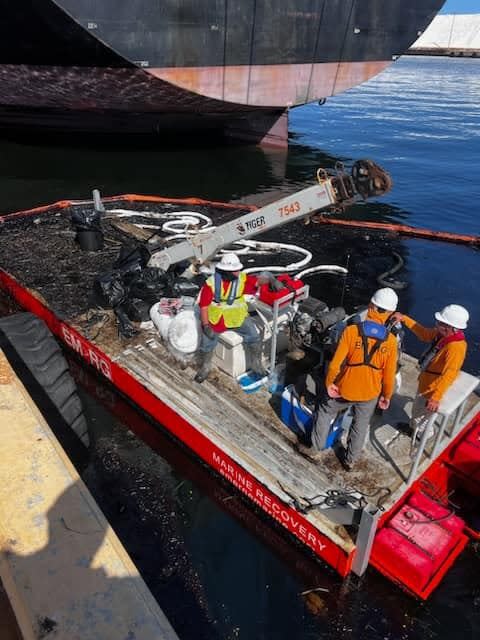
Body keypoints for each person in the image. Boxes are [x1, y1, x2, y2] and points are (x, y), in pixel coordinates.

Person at [304, 287, 399, 471]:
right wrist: (386, 395)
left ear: (371, 305)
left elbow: (334, 365)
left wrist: (330, 383)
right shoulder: (391, 341)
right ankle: (350, 460)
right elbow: (388, 375)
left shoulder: (351, 331)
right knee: (360, 425)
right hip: (370, 392)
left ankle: (316, 449)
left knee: (325, 411)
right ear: (391, 313)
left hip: (344, 388)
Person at [194, 253, 279, 383]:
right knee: (207, 343)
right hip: (216, 320)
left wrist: (270, 278)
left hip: (237, 317)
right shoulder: (210, 284)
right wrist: (206, 325)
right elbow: (204, 306)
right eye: (235, 270)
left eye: (238, 269)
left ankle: (256, 364)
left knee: (254, 336)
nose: (238, 272)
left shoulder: (242, 279)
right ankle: (205, 367)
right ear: (225, 271)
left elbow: (258, 281)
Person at [391, 304, 469, 444]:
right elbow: (424, 334)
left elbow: (449, 374)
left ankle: (422, 435)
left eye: (440, 323)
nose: (436, 324)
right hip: (426, 381)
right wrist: (404, 319)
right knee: (418, 412)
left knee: (420, 415)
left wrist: (436, 397)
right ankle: (416, 428)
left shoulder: (455, 348)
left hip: (431, 388)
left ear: (450, 327)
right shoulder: (443, 335)